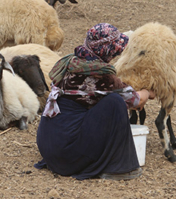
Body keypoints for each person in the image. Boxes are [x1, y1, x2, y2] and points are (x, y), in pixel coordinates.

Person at [35, 23, 155, 180]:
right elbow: (136, 101)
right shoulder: (102, 77)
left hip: (50, 147)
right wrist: (149, 91)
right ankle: (118, 168)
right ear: (108, 51)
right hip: (67, 155)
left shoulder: (70, 64)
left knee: (105, 102)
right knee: (115, 103)